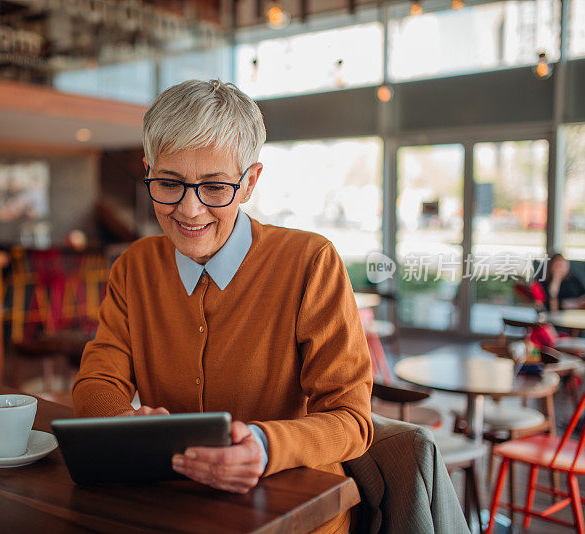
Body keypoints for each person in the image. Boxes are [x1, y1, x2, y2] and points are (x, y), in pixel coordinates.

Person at [71, 80, 373, 533]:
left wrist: (265, 445)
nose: (190, 210)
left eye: (214, 187)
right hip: (176, 509)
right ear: (148, 170)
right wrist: (125, 423)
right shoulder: (135, 267)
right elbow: (96, 380)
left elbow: (352, 419)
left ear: (249, 181)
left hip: (299, 518)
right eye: (169, 183)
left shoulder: (311, 262)